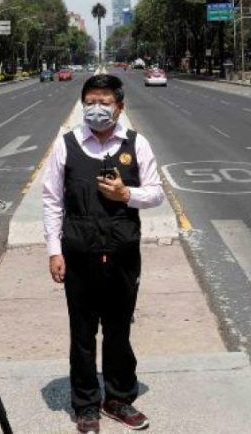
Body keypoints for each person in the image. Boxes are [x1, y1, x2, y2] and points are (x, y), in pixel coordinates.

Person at [42, 74, 164, 433]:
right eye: (91, 102)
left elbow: (156, 193)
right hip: (78, 253)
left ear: (120, 107)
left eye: (105, 103)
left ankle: (118, 398)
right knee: (82, 334)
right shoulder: (66, 145)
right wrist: (53, 251)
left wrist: (127, 195)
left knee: (118, 330)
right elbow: (51, 200)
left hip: (123, 253)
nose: (97, 109)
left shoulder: (136, 144)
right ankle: (85, 404)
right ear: (83, 106)